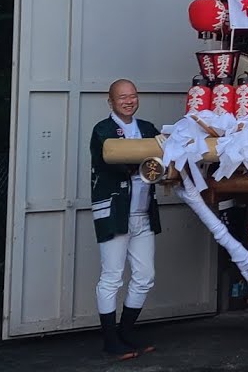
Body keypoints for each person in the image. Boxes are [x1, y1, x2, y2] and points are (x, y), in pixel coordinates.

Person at [88, 79, 162, 359]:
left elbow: (163, 158)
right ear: (111, 102)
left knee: (145, 276)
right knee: (112, 276)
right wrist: (146, 159)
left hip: (143, 212)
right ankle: (110, 338)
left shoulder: (147, 129)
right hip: (115, 211)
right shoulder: (103, 130)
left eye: (133, 96)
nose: (129, 101)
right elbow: (113, 162)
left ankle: (126, 331)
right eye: (122, 97)